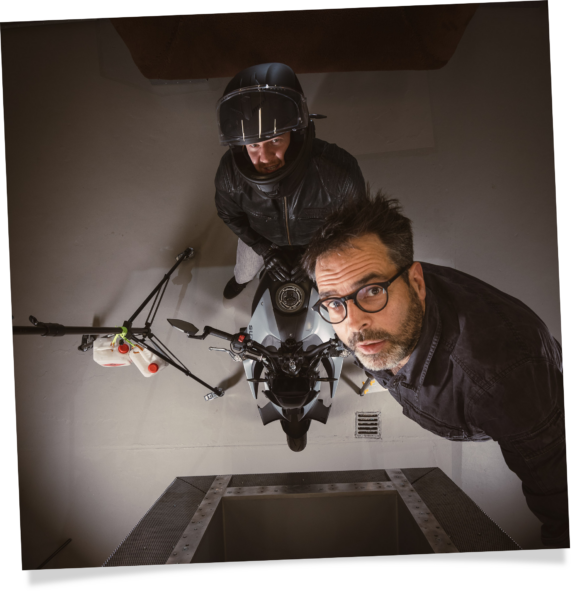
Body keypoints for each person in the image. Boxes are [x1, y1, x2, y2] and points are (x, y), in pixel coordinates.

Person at [301, 185, 569, 550]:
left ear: (416, 282)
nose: (354, 324)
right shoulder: (382, 315)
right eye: (334, 303)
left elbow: (561, 502)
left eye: (372, 291)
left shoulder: (503, 380)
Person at [214, 62, 366, 299]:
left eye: (275, 140)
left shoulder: (339, 174)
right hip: (262, 238)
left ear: (295, 134)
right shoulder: (229, 173)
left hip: (318, 246)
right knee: (244, 273)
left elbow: (352, 228)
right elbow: (229, 215)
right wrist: (265, 250)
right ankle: (241, 281)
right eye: (253, 145)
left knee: (332, 288)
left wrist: (313, 255)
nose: (263, 158)